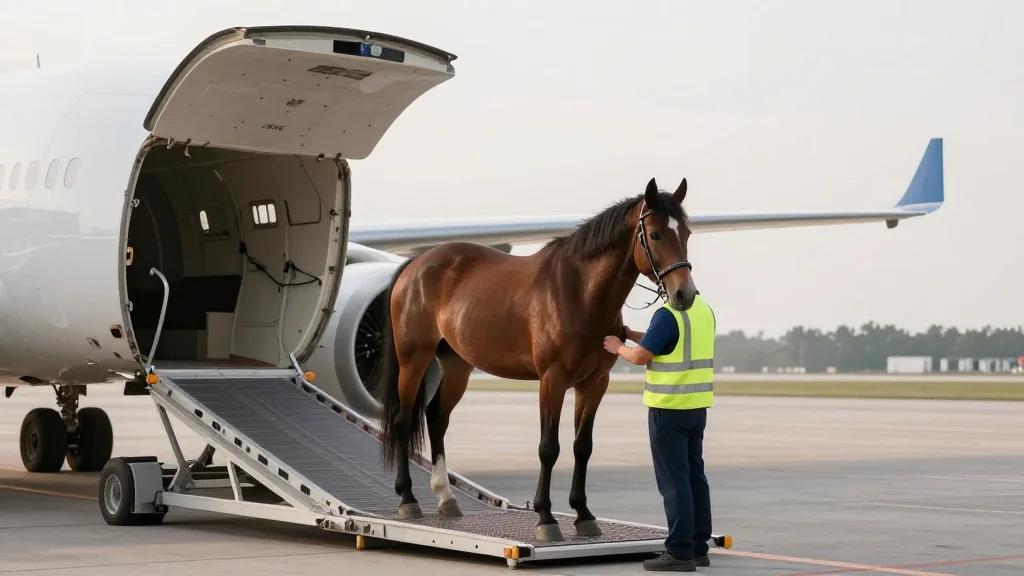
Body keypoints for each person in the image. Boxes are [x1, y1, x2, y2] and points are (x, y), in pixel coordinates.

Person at [603, 294, 715, 572]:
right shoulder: (703, 310)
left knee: (674, 483)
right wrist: (631, 334)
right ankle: (698, 549)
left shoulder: (668, 314)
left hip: (668, 410)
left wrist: (618, 346)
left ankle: (679, 553)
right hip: (696, 407)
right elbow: (666, 343)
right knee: (695, 478)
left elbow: (642, 357)